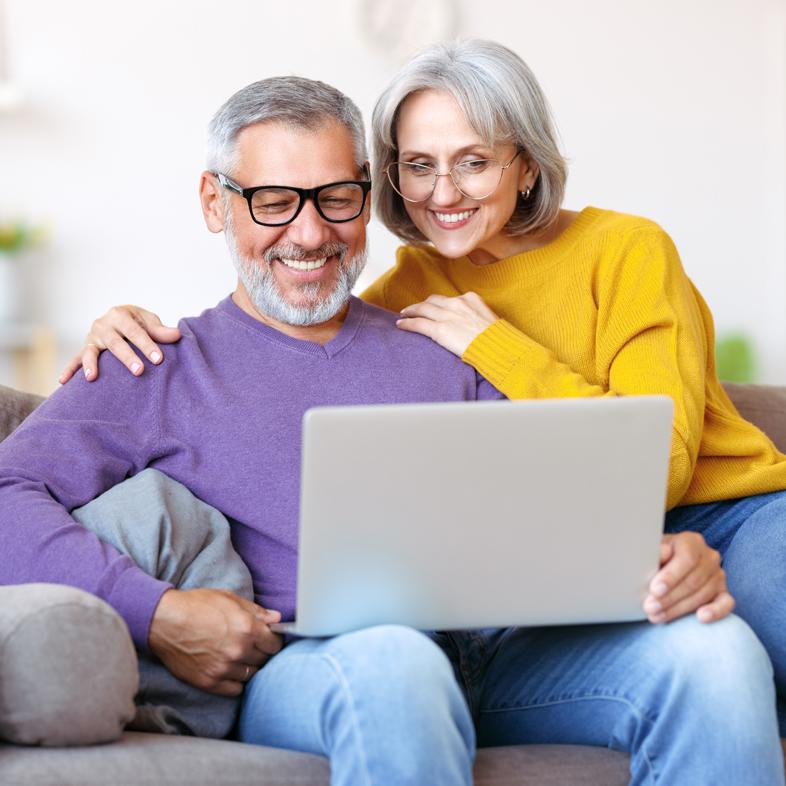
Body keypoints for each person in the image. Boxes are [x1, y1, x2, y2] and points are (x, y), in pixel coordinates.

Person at [13, 73, 781, 785]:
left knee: (713, 654)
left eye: (336, 198)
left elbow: (563, 504)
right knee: (395, 660)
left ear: (367, 196)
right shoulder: (153, 364)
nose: (310, 235)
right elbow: (8, 493)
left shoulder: (433, 335)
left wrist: (658, 556)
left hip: (502, 654)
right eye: (274, 201)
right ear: (216, 204)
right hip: (322, 662)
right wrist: (160, 612)